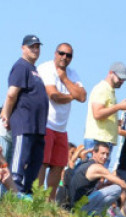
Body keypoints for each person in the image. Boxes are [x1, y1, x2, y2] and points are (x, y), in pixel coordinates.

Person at [36, 43, 86, 201]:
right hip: (46, 123)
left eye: (68, 55)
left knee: (58, 165)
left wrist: (64, 78)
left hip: (62, 128)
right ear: (55, 53)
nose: (64, 57)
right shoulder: (45, 68)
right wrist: (72, 95)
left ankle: (49, 201)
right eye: (62, 53)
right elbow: (54, 95)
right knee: (42, 163)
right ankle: (37, 198)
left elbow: (83, 97)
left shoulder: (71, 73)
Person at [0, 34, 48, 196]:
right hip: (24, 122)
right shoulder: (21, 66)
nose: (35, 49)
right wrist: (6, 114)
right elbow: (12, 93)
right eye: (31, 46)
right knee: (20, 159)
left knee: (36, 160)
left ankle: (26, 191)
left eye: (37, 46)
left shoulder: (34, 69)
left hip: (38, 126)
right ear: (23, 48)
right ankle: (15, 190)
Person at [82, 62, 126, 151]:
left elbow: (104, 115)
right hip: (98, 140)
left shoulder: (110, 91)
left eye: (124, 79)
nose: (122, 81)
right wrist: (118, 107)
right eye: (120, 78)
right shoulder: (102, 89)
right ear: (110, 73)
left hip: (104, 141)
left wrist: (117, 122)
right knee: (93, 165)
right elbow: (97, 114)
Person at [67, 141, 126, 216]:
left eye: (107, 154)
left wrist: (106, 184)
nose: (105, 157)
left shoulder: (85, 163)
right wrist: (121, 184)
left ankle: (99, 214)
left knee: (104, 190)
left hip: (75, 205)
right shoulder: (97, 167)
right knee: (116, 188)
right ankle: (96, 214)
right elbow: (123, 185)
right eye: (102, 153)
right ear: (94, 153)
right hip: (81, 206)